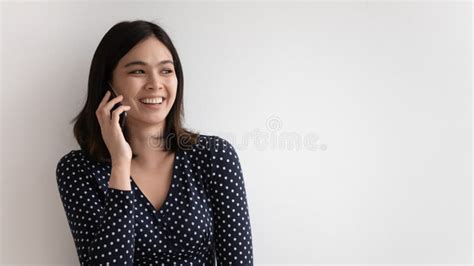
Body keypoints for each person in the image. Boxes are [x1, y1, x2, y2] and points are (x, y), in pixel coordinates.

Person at [55, 20, 254, 265]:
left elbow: (238, 261)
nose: (155, 83)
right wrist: (120, 164)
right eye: (138, 71)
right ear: (109, 82)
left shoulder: (214, 156)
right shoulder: (77, 170)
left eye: (166, 70)